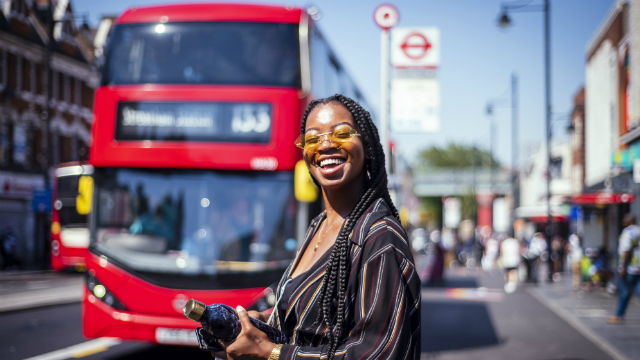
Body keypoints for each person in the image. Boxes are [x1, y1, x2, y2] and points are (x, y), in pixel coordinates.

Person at [211, 95, 421, 360]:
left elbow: (377, 353)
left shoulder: (379, 237)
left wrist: (271, 353)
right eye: (312, 138)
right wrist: (263, 323)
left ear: (366, 145)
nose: (325, 145)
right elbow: (313, 327)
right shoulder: (318, 226)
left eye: (342, 133)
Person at [607, 212, 640, 324]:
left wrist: (623, 268)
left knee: (624, 292)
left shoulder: (627, 232)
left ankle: (619, 315)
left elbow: (626, 251)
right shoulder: (638, 231)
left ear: (630, 220)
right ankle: (619, 314)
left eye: (626, 217)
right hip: (637, 267)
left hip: (629, 267)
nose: (623, 219)